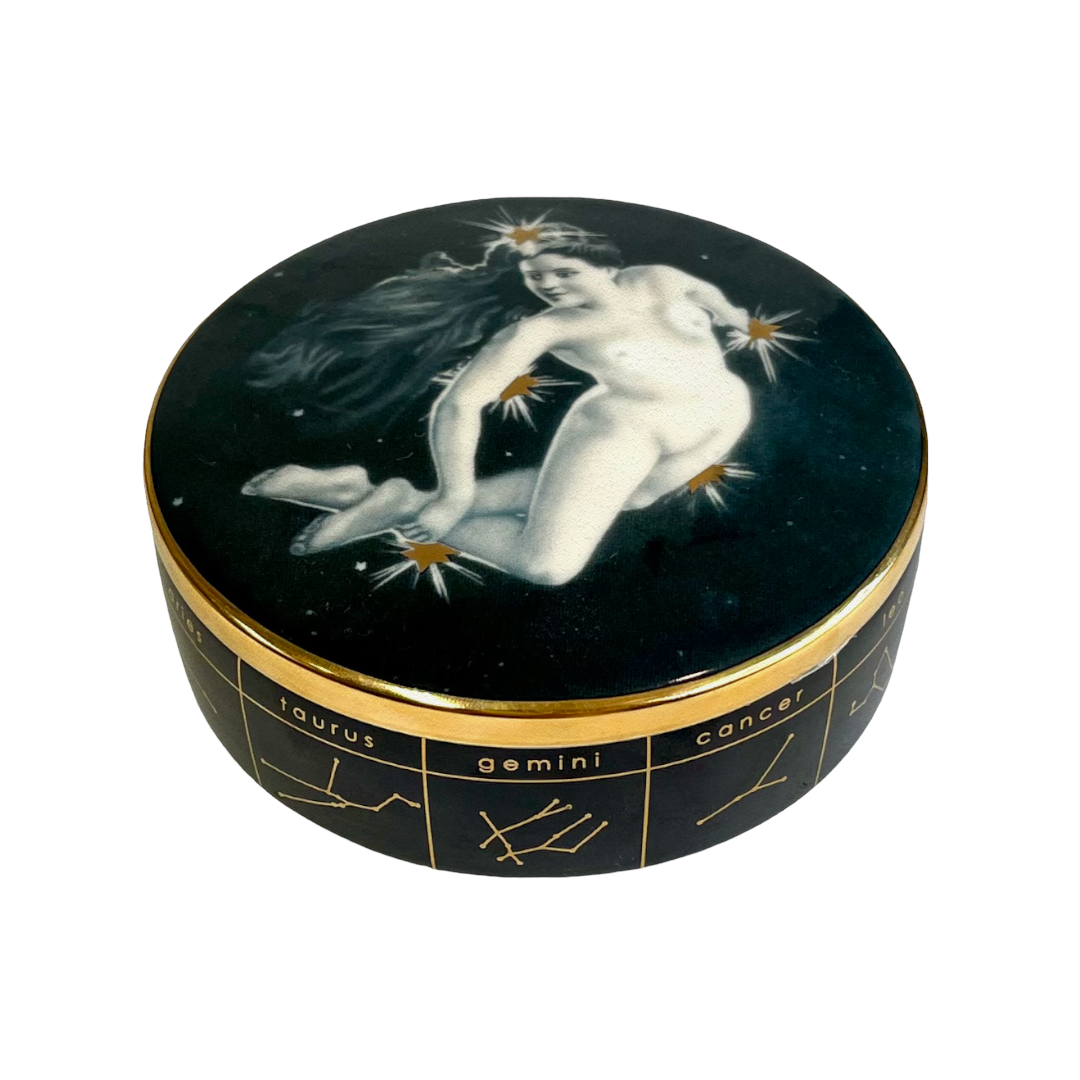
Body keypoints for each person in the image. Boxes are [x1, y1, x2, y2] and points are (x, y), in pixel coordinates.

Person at [242, 222, 755, 586]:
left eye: (564, 272)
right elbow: (458, 405)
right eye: (537, 278)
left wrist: (730, 312)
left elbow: (701, 290)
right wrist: (454, 495)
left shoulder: (656, 278)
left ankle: (357, 491)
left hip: (723, 409)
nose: (548, 285)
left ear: (606, 266)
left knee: (635, 497)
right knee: (546, 566)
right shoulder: (544, 329)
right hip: (627, 428)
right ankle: (399, 502)